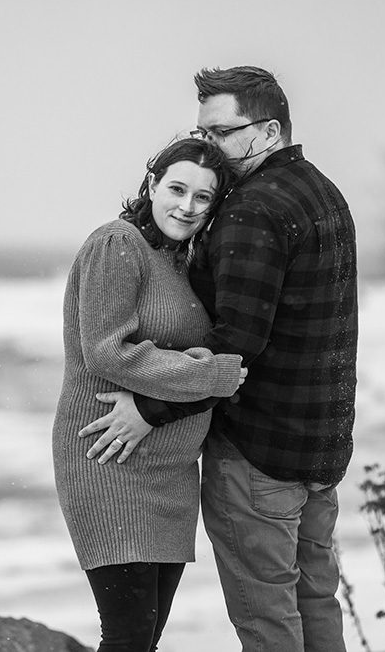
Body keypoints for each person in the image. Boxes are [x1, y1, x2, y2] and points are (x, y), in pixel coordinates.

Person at [80, 66, 359, 652]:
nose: (208, 146)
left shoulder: (252, 209)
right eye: (201, 132)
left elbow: (238, 346)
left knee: (267, 621)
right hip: (320, 448)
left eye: (220, 133)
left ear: (268, 132)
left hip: (259, 451)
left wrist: (149, 411)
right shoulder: (322, 191)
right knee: (315, 601)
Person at [52, 136, 248, 652]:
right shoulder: (116, 244)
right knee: (128, 636)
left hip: (171, 473)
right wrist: (206, 374)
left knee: (144, 638)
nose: (186, 206)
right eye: (177, 189)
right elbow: (106, 351)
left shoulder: (180, 261)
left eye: (202, 197)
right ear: (152, 184)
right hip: (110, 462)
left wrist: (196, 366)